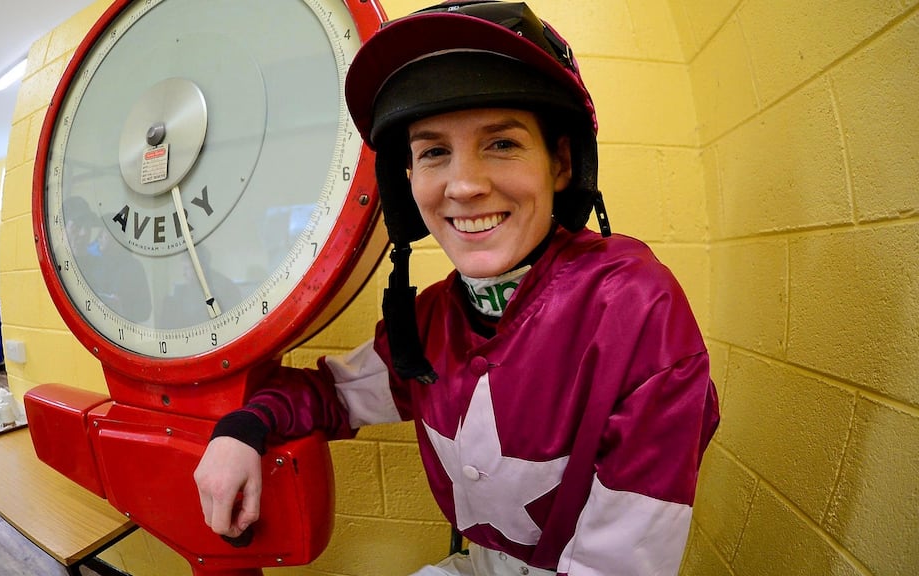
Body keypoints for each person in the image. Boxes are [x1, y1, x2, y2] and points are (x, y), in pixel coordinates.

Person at [194, 2, 719, 575]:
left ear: (562, 164)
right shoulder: (432, 320)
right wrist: (240, 430)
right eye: (434, 152)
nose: (464, 186)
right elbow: (331, 394)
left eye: (502, 143)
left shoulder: (637, 310)